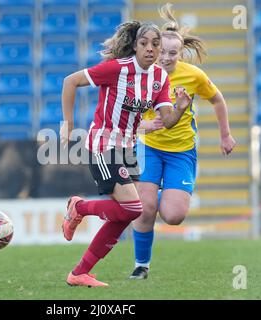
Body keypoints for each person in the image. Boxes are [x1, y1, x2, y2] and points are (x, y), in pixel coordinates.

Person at [59, 20, 192, 287]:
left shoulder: (159, 78)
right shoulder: (116, 69)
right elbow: (70, 81)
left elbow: (166, 120)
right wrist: (68, 124)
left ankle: (79, 272)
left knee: (125, 214)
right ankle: (79, 207)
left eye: (155, 44)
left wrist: (179, 108)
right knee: (133, 208)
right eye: (144, 43)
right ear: (134, 45)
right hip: (103, 144)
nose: (151, 49)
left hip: (127, 148)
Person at [129, 3, 237, 280]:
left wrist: (225, 134)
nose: (165, 57)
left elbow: (217, 99)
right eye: (161, 51)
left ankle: (164, 192)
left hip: (181, 152)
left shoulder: (193, 75)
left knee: (174, 216)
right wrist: (141, 125)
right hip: (149, 146)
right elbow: (125, 111)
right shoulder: (140, 72)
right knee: (144, 207)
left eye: (172, 53)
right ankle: (141, 265)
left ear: (181, 53)